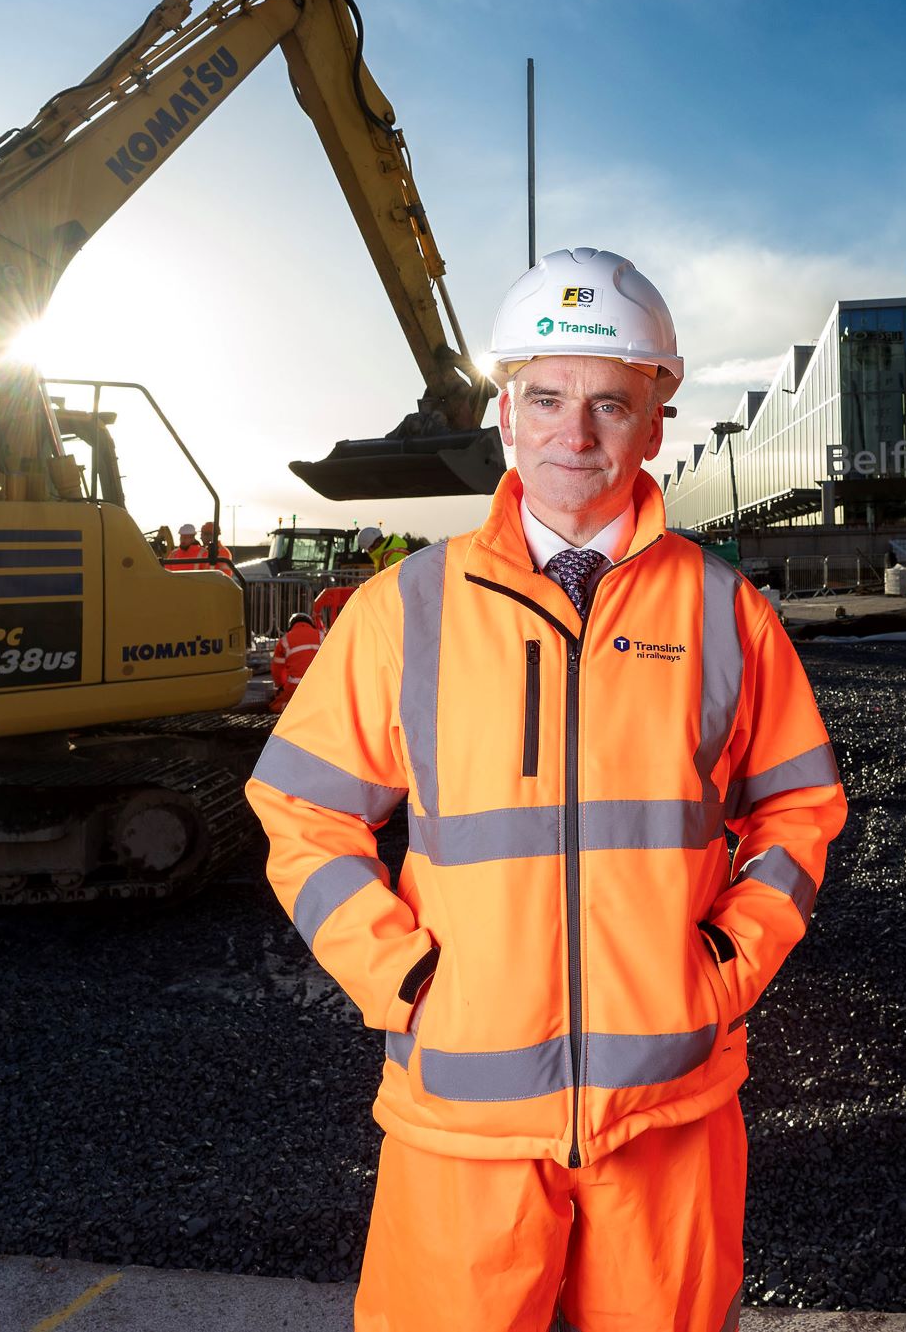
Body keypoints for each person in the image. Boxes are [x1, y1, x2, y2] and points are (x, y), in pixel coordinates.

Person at [245, 247, 845, 1332]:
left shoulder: (725, 612)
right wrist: (403, 976)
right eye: (548, 399)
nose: (577, 434)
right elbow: (303, 810)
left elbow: (799, 811)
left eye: (611, 402)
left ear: (655, 418)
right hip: (461, 1124)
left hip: (668, 1116)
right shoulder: (404, 612)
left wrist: (724, 962)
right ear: (507, 414)